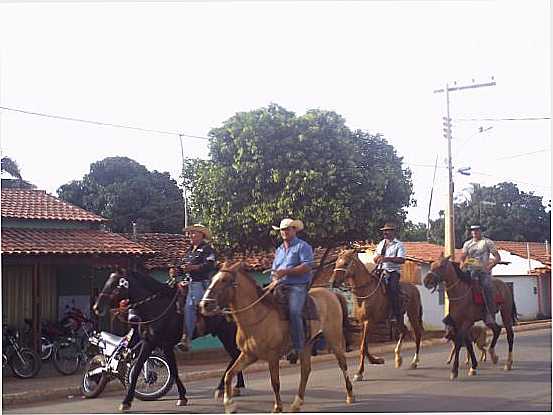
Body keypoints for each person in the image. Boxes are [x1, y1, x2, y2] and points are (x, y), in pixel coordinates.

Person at [271, 218, 314, 362]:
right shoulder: (279, 250)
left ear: (295, 230)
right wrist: (274, 279)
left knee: (294, 312)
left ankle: (298, 347)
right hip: (279, 285)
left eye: (288, 229)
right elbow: (275, 270)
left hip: (298, 285)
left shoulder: (303, 246)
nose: (284, 232)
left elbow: (307, 266)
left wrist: (286, 272)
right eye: (282, 230)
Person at [177, 224, 217, 352]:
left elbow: (210, 265)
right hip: (187, 282)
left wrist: (194, 268)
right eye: (190, 233)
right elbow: (183, 266)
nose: (190, 235)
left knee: (190, 305)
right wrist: (176, 271)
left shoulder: (207, 249)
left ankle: (186, 338)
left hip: (201, 283)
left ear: (202, 235)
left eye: (193, 233)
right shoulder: (189, 251)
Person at [460, 224, 501, 325]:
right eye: (472, 230)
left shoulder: (487, 242)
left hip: (483, 271)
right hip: (470, 270)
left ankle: (490, 314)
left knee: (487, 287)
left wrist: (490, 266)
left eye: (476, 230)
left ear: (480, 231)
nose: (474, 232)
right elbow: (462, 257)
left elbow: (497, 257)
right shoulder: (467, 244)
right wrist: (462, 264)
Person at [373, 222, 406, 323]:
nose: (385, 233)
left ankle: (395, 314)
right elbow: (375, 257)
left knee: (392, 289)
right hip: (380, 270)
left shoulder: (399, 245)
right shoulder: (381, 244)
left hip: (393, 272)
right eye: (384, 231)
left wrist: (387, 259)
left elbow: (401, 259)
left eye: (387, 231)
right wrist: (376, 258)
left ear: (393, 232)